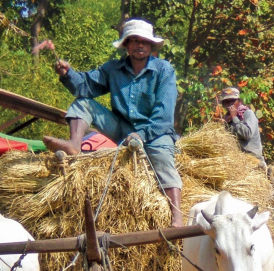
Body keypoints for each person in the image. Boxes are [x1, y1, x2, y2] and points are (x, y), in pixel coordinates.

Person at [42, 18, 184, 227]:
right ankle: (74, 144)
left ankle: (177, 216)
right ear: (126, 45)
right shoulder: (113, 69)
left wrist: (141, 135)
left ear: (151, 44)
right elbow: (85, 87)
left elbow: (163, 116)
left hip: (156, 132)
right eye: (133, 40)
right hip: (123, 128)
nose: (139, 45)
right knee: (83, 103)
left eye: (143, 41)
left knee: (162, 157)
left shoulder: (164, 70)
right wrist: (68, 74)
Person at [219, 87, 265, 165]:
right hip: (236, 160)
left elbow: (247, 134)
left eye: (232, 101)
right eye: (226, 102)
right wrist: (221, 127)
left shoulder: (248, 114)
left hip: (253, 160)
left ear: (239, 101)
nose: (230, 104)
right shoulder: (227, 119)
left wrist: (234, 118)